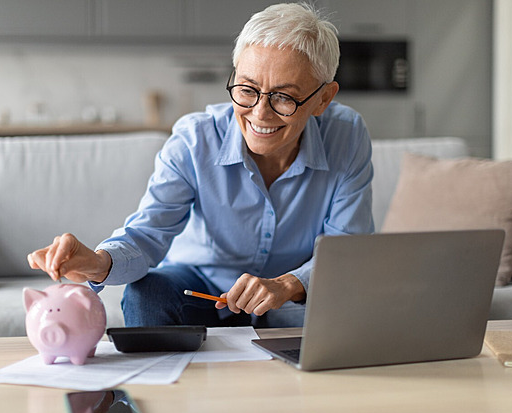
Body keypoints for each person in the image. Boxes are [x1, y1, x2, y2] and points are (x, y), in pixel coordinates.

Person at [28, 2, 374, 328]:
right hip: (200, 289)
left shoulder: (347, 135)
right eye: (247, 89)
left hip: (290, 300)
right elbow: (147, 235)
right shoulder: (194, 140)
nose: (260, 113)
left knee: (366, 309)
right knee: (146, 295)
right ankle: (160, 391)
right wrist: (98, 263)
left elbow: (347, 249)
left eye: (284, 97)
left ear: (324, 99)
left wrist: (287, 285)